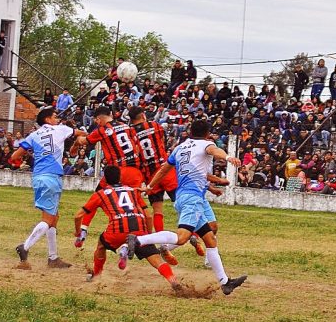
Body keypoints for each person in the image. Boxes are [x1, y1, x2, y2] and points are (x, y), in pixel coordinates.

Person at [127, 120, 247, 295]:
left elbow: (164, 169)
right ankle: (139, 240)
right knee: (182, 237)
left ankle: (225, 282)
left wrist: (150, 187)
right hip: (193, 199)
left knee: (210, 239)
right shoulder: (206, 144)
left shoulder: (180, 148)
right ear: (207, 134)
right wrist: (228, 157)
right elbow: (215, 151)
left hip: (182, 196)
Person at [73, 166, 181, 291]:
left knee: (101, 245)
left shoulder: (101, 194)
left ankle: (97, 275)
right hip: (139, 229)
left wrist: (78, 231)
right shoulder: (133, 191)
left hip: (117, 230)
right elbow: (148, 216)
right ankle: (173, 280)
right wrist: (147, 236)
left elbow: (78, 216)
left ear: (105, 179)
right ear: (120, 177)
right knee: (155, 258)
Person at [12, 107, 85, 270]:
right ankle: (25, 246)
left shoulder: (34, 135)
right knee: (48, 219)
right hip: (52, 177)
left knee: (54, 217)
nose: (57, 119)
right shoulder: (60, 129)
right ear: (47, 119)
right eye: (54, 116)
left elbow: (14, 156)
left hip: (38, 176)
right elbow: (81, 133)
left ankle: (53, 258)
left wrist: (37, 155)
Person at [129, 106, 179, 264]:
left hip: (150, 175)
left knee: (157, 210)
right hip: (165, 170)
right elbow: (162, 141)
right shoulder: (155, 126)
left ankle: (163, 244)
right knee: (181, 204)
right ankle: (193, 234)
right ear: (143, 115)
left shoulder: (131, 133)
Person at [77, 106, 144, 189]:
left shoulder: (102, 130)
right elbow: (137, 144)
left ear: (98, 119)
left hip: (117, 171)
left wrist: (79, 136)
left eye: (96, 121)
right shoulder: (125, 126)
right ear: (110, 115)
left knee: (101, 195)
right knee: (133, 196)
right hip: (135, 171)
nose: (97, 123)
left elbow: (82, 141)